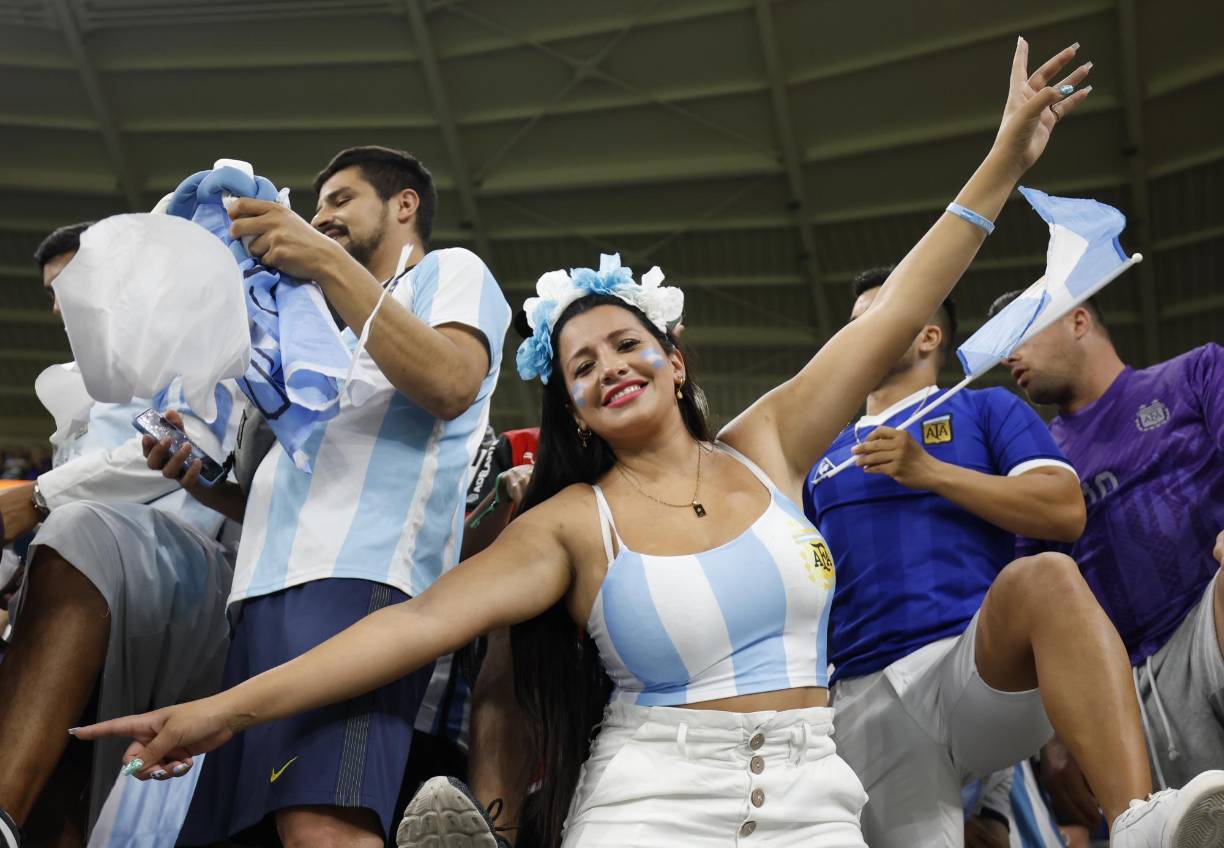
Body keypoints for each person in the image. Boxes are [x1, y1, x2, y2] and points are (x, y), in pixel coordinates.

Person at [80, 41, 1200, 848]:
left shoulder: (772, 442)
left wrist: (1005, 155)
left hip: (818, 795)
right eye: (581, 365)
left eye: (627, 343)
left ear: (674, 361)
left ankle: (1147, 820)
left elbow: (914, 285)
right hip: (649, 802)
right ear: (571, 407)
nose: (609, 363)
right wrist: (220, 709)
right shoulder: (573, 521)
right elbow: (414, 623)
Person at [146, 145, 511, 847]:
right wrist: (201, 476)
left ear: (404, 205)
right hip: (258, 591)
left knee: (324, 826)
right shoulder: (304, 322)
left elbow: (450, 383)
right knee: (254, 834)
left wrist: (323, 259)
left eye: (342, 200)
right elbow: (290, 483)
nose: (323, 218)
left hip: (361, 581)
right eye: (317, 210)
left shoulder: (446, 272)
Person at [803, 263, 1224, 848]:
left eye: (875, 316)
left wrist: (928, 470)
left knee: (1048, 576)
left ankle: (1134, 817)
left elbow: (1061, 512)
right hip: (861, 691)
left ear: (928, 335)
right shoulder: (815, 454)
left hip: (976, 666)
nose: (858, 333)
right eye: (851, 325)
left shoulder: (986, 411)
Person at [0, 222, 240, 847]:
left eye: (70, 284)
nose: (58, 306)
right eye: (52, 294)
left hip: (188, 579)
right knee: (57, 771)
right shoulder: (80, 398)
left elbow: (195, 451)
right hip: (85, 587)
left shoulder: (194, 338)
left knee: (78, 525)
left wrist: (45, 495)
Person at [989, 291, 1224, 811]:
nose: (1008, 357)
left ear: (1078, 321)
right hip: (1119, 689)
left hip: (1209, 624)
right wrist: (1050, 733)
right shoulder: (1039, 467)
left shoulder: (1194, 373)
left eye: (1019, 336)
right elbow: (1034, 606)